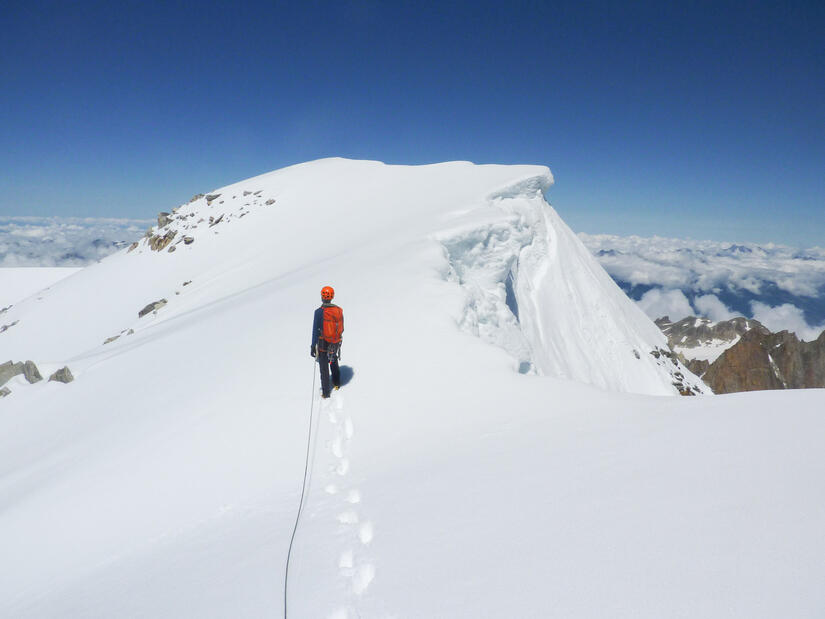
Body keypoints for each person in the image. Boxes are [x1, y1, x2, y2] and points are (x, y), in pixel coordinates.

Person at [311, 285, 344, 398]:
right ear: (332, 297)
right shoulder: (338, 310)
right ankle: (336, 382)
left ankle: (326, 392)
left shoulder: (318, 312)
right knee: (333, 361)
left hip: (322, 343)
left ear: (322, 297)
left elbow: (315, 330)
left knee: (324, 367)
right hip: (334, 342)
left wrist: (312, 346)